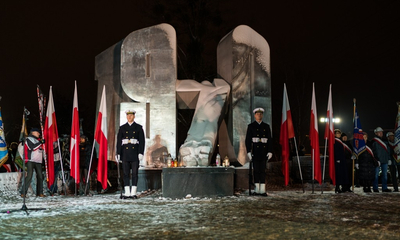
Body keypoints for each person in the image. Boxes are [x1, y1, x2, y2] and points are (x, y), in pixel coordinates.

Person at [116, 109, 145, 199]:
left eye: (131, 115)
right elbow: (119, 142)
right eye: (128, 115)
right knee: (125, 173)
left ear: (134, 116)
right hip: (125, 153)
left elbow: (142, 141)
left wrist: (141, 152)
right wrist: (118, 153)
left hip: (134, 153)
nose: (129, 117)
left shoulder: (138, 127)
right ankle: (127, 192)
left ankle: (133, 193)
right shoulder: (122, 128)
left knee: (135, 173)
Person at [245, 107, 273, 196]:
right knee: (256, 170)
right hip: (255, 152)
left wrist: (270, 151)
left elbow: (270, 140)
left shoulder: (266, 126)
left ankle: (263, 190)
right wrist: (248, 151)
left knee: (263, 170)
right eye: (257, 114)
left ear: (262, 115)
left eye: (260, 114)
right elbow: (248, 140)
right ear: (254, 115)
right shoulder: (251, 126)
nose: (259, 115)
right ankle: (257, 190)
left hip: (264, 152)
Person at [20, 128, 46, 197]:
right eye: (38, 132)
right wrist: (40, 143)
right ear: (33, 132)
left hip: (38, 161)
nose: (39, 134)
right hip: (30, 160)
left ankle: (40, 192)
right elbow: (32, 148)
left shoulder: (38, 140)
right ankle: (23, 192)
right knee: (29, 176)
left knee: (40, 176)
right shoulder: (28, 139)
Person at [372, 127, 391, 192]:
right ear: (376, 133)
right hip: (377, 161)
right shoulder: (374, 141)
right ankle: (375, 188)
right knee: (376, 175)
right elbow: (373, 152)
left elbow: (388, 151)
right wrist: (376, 160)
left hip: (385, 160)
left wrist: (389, 159)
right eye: (379, 132)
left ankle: (384, 188)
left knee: (385, 175)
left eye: (381, 132)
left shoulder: (385, 141)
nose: (380, 133)